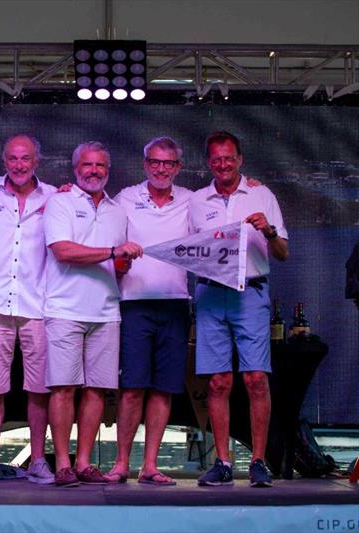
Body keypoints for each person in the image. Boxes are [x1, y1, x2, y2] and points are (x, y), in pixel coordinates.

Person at [190, 131, 289, 488]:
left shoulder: (262, 195)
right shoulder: (196, 201)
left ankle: (259, 462)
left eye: (228, 157)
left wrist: (270, 230)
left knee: (256, 379)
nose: (223, 164)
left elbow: (282, 253)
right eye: (216, 159)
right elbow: (186, 248)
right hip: (211, 296)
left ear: (240, 159)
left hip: (251, 293)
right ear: (208, 163)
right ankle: (223, 462)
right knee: (218, 382)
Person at [43, 141, 142, 487]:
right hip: (64, 308)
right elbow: (63, 251)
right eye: (87, 165)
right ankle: (63, 465)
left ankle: (84, 462)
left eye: (100, 166)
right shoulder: (59, 201)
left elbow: (117, 264)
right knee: (63, 388)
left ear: (108, 171)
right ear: (75, 169)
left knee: (98, 390)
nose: (94, 171)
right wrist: (114, 251)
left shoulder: (118, 211)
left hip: (106, 310)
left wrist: (123, 262)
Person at [103, 137, 193, 486]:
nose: (161, 168)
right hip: (134, 305)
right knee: (132, 388)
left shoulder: (191, 200)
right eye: (154, 162)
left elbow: (219, 231)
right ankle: (122, 463)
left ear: (177, 168)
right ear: (145, 164)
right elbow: (96, 213)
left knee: (163, 389)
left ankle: (151, 465)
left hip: (175, 305)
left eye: (168, 163)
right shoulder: (125, 198)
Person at [0, 134, 56, 484]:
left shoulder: (55, 197)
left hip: (38, 304)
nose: (19, 165)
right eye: (12, 159)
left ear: (36, 161)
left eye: (26, 159)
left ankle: (37, 459)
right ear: (3, 160)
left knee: (39, 388)